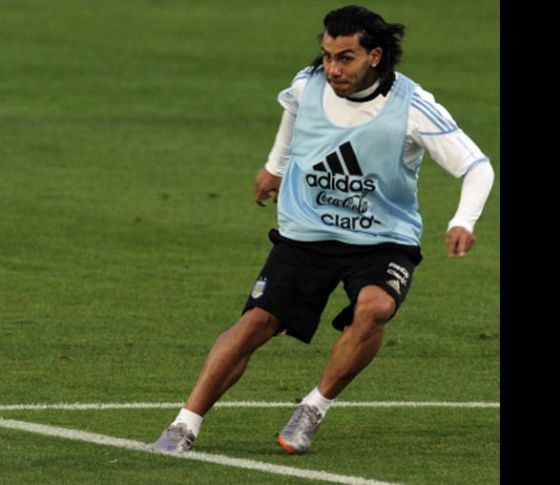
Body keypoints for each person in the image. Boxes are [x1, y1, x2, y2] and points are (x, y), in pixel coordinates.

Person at [151, 5, 494, 455]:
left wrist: (462, 221)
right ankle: (185, 423)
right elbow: (292, 115)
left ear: (374, 56)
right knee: (256, 322)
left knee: (374, 308)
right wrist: (275, 167)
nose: (332, 68)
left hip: (382, 238)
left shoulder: (413, 108)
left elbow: (477, 166)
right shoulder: (307, 85)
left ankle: (313, 407)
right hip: (306, 232)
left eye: (344, 57)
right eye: (327, 55)